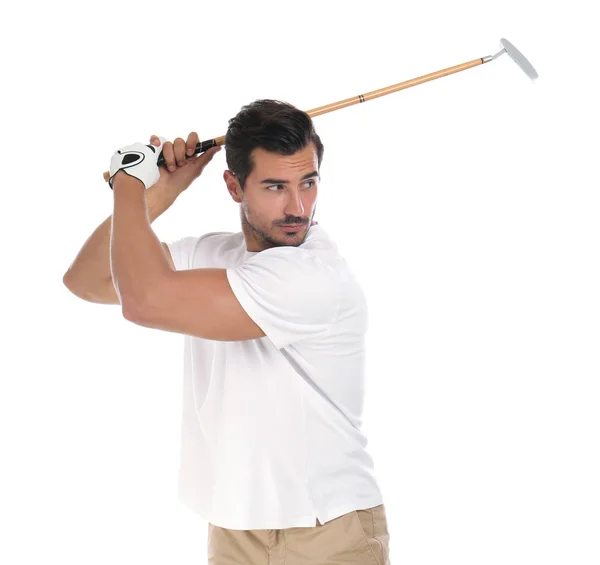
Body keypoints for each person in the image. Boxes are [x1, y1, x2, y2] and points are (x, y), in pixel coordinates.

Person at [63, 99, 391, 564]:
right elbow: (88, 279)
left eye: (309, 182)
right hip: (235, 528)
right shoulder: (213, 256)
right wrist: (159, 195)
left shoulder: (314, 276)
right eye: (276, 186)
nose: (298, 206)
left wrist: (129, 184)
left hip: (326, 531)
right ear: (234, 186)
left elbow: (144, 300)